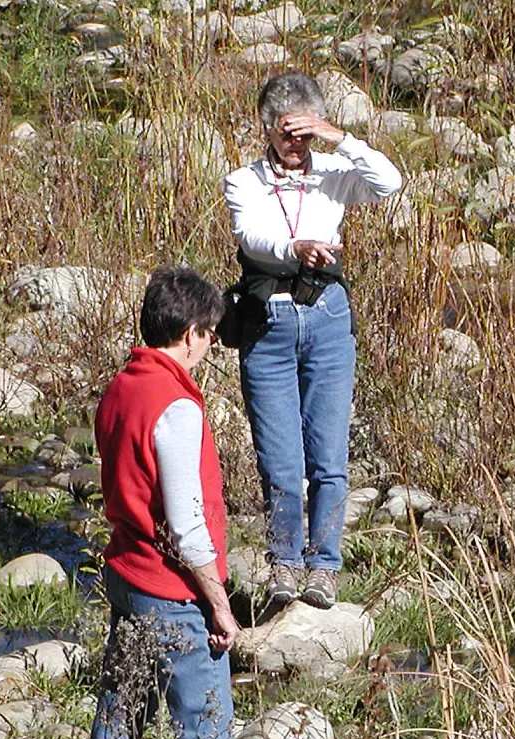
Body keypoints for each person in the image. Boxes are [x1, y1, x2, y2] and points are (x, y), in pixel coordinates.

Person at [223, 70, 403, 609]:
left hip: (327, 319)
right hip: (270, 325)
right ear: (267, 131)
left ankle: (323, 566)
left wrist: (336, 135)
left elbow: (390, 182)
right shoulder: (244, 181)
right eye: (286, 134)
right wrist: (293, 246)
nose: (295, 146)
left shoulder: (333, 171)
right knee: (279, 459)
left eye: (304, 134)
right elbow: (250, 235)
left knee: (329, 455)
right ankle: (285, 561)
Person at [90, 266, 241, 739]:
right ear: (188, 333)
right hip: (172, 593)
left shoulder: (120, 387)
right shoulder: (176, 408)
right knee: (202, 738)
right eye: (208, 335)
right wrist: (220, 604)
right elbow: (185, 525)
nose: (210, 348)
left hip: (127, 576)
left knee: (121, 713)